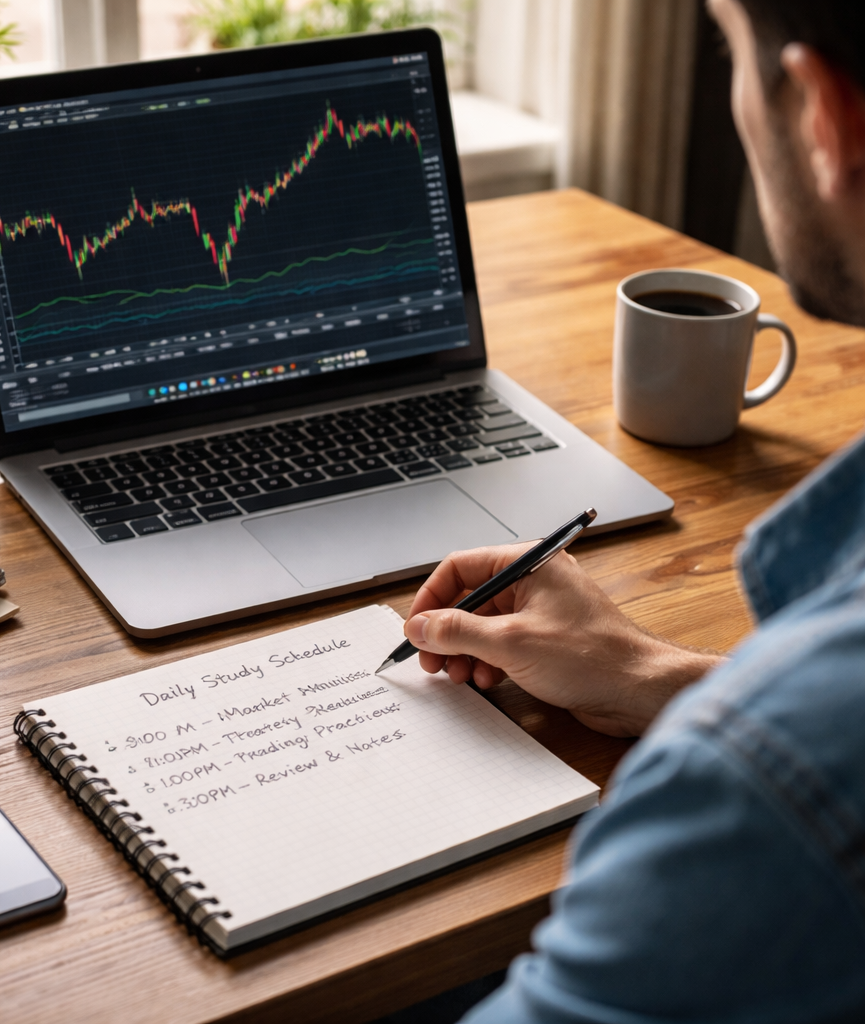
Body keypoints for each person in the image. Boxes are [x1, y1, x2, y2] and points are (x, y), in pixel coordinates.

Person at [404, 2, 865, 1020]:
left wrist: (741, 728)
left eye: (731, 55)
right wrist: (659, 675)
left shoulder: (755, 793)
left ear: (830, 121)